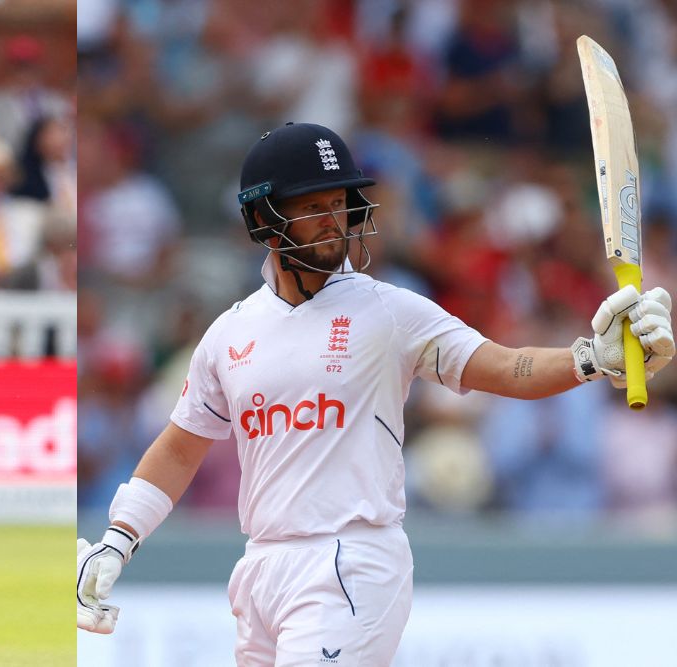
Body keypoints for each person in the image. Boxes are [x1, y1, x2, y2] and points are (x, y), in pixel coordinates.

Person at [75, 123, 676, 666]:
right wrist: (118, 541)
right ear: (263, 219)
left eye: (339, 204)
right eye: (311, 207)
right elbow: (181, 448)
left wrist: (590, 358)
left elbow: (503, 367)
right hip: (260, 565)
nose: (332, 221)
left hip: (351, 561)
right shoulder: (229, 333)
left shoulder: (389, 312)